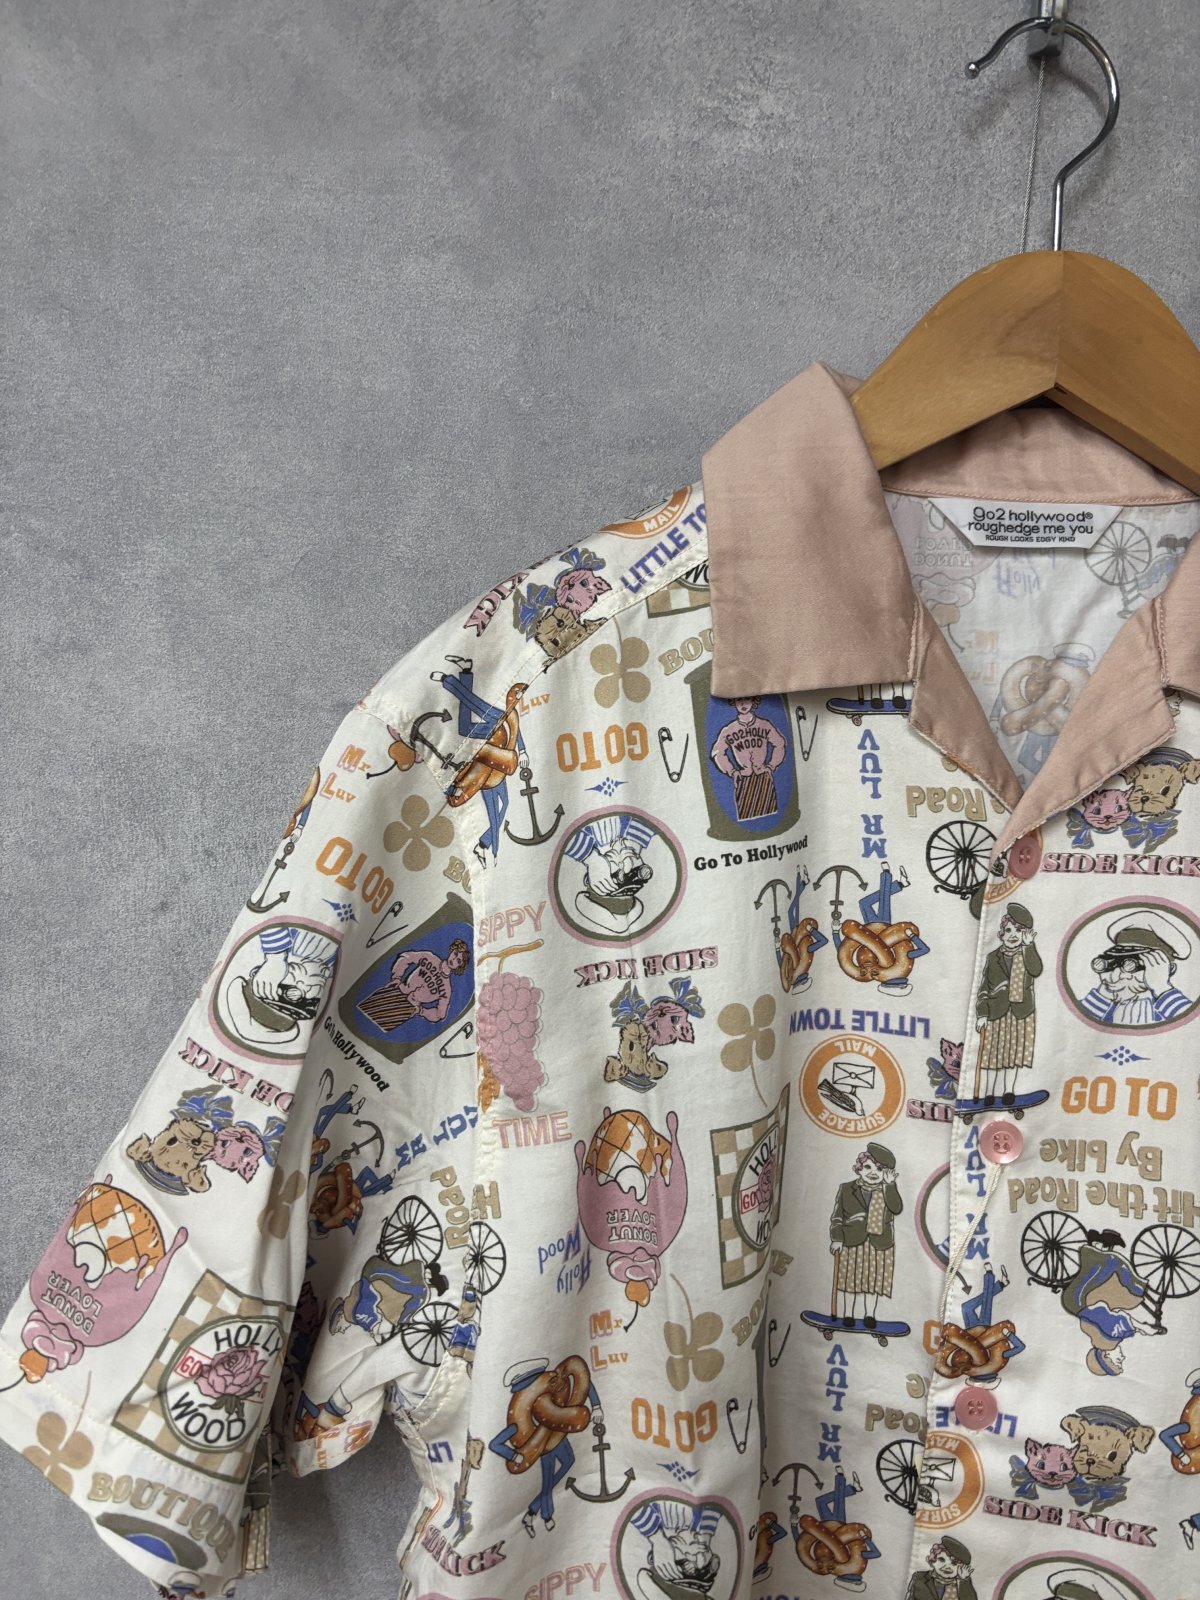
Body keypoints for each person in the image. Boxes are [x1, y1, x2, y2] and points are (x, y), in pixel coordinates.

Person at [828, 1144, 902, 1325]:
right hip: (852, 1241)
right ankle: (848, 1314)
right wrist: (837, 1239)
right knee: (850, 1279)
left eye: (880, 1169)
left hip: (880, 1242)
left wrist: (890, 1185)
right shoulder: (847, 1188)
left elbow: (896, 1208)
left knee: (873, 1280)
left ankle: (870, 1315)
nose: (873, 1172)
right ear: (859, 1168)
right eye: (868, 1167)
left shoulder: (887, 1189)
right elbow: (837, 1216)